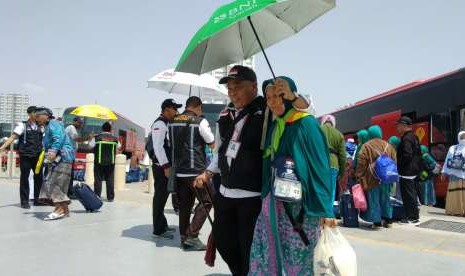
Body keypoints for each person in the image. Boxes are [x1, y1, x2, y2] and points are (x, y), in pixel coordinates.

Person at [194, 66, 310, 276]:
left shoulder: (267, 110)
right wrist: (208, 172)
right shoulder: (224, 115)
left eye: (238, 86)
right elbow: (220, 150)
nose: (232, 92)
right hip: (225, 194)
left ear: (254, 86)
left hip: (253, 197)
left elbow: (302, 109)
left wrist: (292, 96)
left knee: (250, 247)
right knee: (224, 243)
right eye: (229, 88)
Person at [248, 77, 335, 275]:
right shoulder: (275, 126)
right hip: (273, 204)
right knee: (267, 252)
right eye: (268, 97)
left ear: (289, 95)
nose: (273, 101)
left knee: (299, 256)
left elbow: (320, 167)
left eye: (278, 95)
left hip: (299, 209)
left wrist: (326, 210)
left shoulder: (306, 124)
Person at [168, 96, 215, 250]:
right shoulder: (200, 121)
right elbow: (212, 142)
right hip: (196, 172)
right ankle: (192, 235)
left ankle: (183, 237)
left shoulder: (173, 121)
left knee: (184, 206)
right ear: (198, 107)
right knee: (207, 201)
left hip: (179, 171)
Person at [35, 107, 75, 220]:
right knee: (58, 183)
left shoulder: (54, 123)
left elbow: (58, 138)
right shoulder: (49, 126)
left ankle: (59, 209)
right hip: (60, 158)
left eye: (38, 116)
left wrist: (52, 151)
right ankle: (64, 210)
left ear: (46, 116)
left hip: (62, 157)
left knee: (53, 183)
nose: (36, 119)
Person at [0, 106, 43, 209]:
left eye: (37, 112)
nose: (37, 114)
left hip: (37, 156)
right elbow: (13, 137)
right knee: (24, 178)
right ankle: (24, 201)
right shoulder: (22, 125)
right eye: (34, 112)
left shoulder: (40, 126)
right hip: (26, 156)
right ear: (29, 114)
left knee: (39, 178)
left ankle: (37, 199)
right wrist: (2, 147)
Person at [150, 99, 182, 239]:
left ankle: (162, 224)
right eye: (174, 109)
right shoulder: (159, 124)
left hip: (165, 167)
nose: (176, 112)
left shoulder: (167, 123)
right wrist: (166, 167)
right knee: (159, 197)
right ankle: (158, 229)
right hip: (161, 167)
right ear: (167, 109)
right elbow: (158, 147)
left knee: (163, 197)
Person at [355, 125, 397, 228]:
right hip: (386, 177)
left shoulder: (366, 146)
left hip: (372, 177)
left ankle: (377, 222)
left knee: (374, 198)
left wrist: (359, 176)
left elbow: (361, 162)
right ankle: (388, 220)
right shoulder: (389, 146)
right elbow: (394, 161)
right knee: (386, 198)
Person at [396, 116, 422, 223]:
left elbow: (407, 154)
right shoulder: (414, 137)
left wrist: (400, 165)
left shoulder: (406, 138)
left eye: (398, 125)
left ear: (404, 126)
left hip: (407, 171)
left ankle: (411, 217)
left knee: (408, 195)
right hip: (414, 170)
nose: (397, 127)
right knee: (412, 194)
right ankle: (414, 215)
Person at [88, 122, 119, 202]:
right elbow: (119, 146)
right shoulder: (115, 138)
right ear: (110, 129)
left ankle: (97, 196)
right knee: (110, 179)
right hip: (110, 163)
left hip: (99, 162)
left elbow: (90, 146)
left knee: (98, 180)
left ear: (102, 129)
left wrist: (91, 138)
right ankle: (110, 197)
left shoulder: (97, 137)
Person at [320, 114, 346, 201]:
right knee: (331, 192)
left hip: (319, 163)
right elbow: (343, 157)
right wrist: (341, 173)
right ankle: (328, 213)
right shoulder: (339, 135)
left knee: (319, 190)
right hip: (333, 165)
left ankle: (319, 213)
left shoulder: (317, 131)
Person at [441, 131, 465, 216]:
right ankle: (454, 211)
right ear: (459, 138)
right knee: (454, 194)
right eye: (462, 137)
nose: (463, 139)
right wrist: (444, 172)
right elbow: (448, 160)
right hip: (454, 175)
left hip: (463, 175)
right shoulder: (453, 148)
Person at [65, 116, 85, 198]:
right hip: (68, 155)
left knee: (70, 174)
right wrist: (88, 137)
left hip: (70, 155)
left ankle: (69, 192)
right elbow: (77, 139)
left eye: (82, 123)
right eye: (79, 123)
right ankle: (69, 193)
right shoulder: (71, 128)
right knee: (69, 175)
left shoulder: (73, 128)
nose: (81, 125)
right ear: (74, 122)